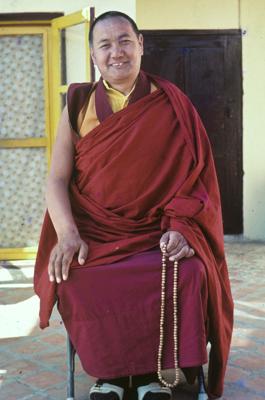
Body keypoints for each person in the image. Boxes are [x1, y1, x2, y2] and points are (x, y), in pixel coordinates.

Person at [34, 11, 233, 400]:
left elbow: (197, 181)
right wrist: (68, 234)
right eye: (105, 45)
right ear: (93, 54)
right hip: (97, 233)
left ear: (141, 44)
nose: (117, 52)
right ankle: (112, 376)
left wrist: (181, 228)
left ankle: (172, 375)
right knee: (76, 277)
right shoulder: (77, 104)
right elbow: (57, 179)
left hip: (155, 234)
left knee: (190, 270)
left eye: (125, 41)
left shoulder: (173, 104)